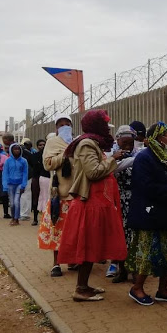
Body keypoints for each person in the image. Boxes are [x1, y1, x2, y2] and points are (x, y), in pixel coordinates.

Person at [57, 110, 126, 302]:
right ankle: (80, 289)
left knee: (93, 244)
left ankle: (84, 285)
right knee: (89, 244)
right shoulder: (87, 144)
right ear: (96, 126)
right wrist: (114, 159)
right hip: (91, 203)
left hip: (97, 202)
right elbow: (93, 172)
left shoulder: (91, 143)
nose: (107, 130)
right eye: (104, 125)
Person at [126, 122, 167, 305]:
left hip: (164, 213)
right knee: (147, 252)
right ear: (157, 137)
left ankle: (162, 290)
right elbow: (145, 187)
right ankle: (137, 288)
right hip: (148, 214)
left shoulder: (164, 158)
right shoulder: (144, 158)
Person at [38, 114, 75, 277]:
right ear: (56, 128)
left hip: (78, 192)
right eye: (61, 124)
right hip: (60, 193)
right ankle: (56, 263)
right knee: (56, 228)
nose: (65, 126)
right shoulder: (52, 142)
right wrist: (65, 155)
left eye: (68, 123)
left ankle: (74, 260)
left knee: (75, 230)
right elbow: (47, 164)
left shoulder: (77, 142)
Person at [109, 125, 137, 283]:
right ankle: (122, 270)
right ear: (118, 141)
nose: (127, 146)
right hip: (118, 200)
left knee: (133, 236)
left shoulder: (139, 154)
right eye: (124, 142)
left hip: (134, 199)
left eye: (130, 143)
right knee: (119, 236)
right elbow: (111, 171)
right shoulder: (112, 156)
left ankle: (133, 270)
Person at [2, 143, 28, 226]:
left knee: (17, 202)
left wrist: (23, 185)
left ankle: (16, 219)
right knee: (12, 203)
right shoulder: (7, 161)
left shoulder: (24, 161)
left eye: (18, 149)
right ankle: (13, 217)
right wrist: (5, 186)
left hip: (19, 184)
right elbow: (5, 173)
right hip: (10, 184)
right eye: (14, 149)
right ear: (11, 150)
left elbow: (25, 173)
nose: (16, 150)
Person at [28, 139, 47, 226]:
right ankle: (35, 219)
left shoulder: (48, 155)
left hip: (46, 179)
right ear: (37, 146)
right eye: (40, 145)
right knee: (35, 198)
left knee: (46, 198)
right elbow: (33, 166)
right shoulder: (34, 156)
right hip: (36, 178)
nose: (42, 146)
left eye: (44, 144)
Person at [19, 138, 34, 220]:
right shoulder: (29, 153)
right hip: (26, 175)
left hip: (26, 175)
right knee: (25, 195)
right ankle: (24, 213)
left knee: (25, 195)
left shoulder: (25, 152)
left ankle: (24, 214)